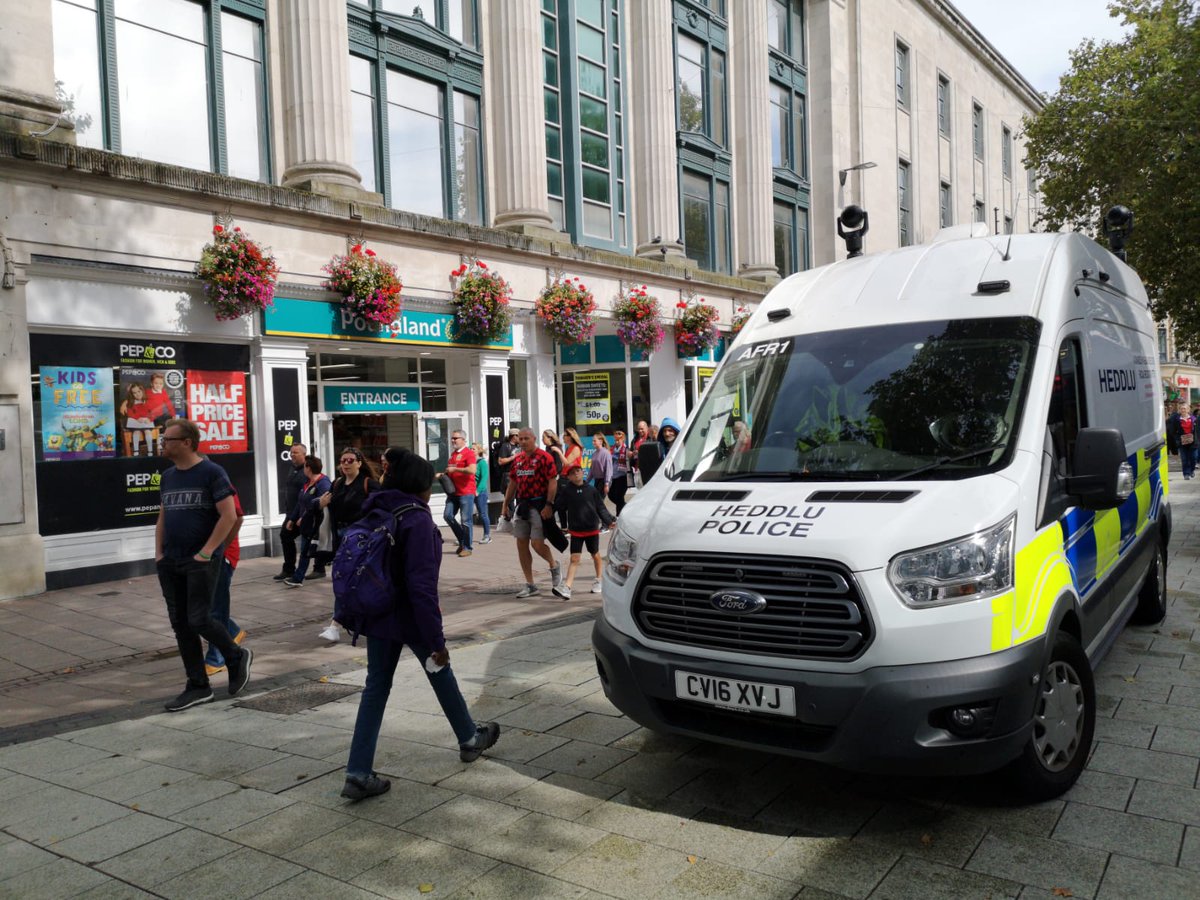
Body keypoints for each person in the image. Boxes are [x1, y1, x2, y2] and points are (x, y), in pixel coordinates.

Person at [341, 446, 501, 801]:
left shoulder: (379, 508)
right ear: (420, 486)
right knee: (439, 669)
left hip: (379, 615)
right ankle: (469, 738)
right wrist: (436, 638)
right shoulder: (416, 520)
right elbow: (422, 588)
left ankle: (357, 771)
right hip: (411, 618)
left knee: (376, 687)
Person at [154, 418, 252, 712]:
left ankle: (235, 657)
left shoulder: (212, 472)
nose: (163, 444)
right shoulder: (169, 476)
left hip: (200, 561)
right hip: (171, 560)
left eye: (168, 439)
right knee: (181, 624)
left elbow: (230, 516)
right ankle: (198, 686)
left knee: (199, 619)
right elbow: (163, 515)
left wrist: (208, 552)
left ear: (186, 442)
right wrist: (158, 553)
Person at [317, 448, 382, 640]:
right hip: (341, 539)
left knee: (347, 581)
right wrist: (319, 504)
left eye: (350, 460)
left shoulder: (368, 484)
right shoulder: (337, 484)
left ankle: (335, 625)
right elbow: (318, 505)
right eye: (343, 460)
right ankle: (356, 622)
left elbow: (381, 508)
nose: (345, 464)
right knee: (350, 582)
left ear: (359, 463)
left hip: (361, 540)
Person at [502, 427, 562, 598]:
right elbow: (512, 483)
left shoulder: (545, 457)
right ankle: (530, 584)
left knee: (537, 544)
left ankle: (554, 565)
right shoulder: (518, 459)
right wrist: (505, 505)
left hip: (539, 505)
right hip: (522, 506)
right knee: (521, 544)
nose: (522, 442)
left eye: (526, 438)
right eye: (520, 439)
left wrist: (549, 505)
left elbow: (552, 482)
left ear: (534, 438)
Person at [552, 464, 615, 600]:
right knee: (574, 558)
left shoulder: (591, 490)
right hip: (576, 531)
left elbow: (601, 508)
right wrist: (550, 514)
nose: (576, 474)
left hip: (591, 529)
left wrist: (609, 521)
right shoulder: (567, 491)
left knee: (595, 555)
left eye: (578, 471)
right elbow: (559, 507)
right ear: (568, 477)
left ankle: (599, 580)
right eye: (573, 473)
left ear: (583, 473)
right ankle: (567, 588)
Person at [204, 486, 248, 676]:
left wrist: (221, 550)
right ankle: (233, 631)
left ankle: (216, 657)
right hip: (203, 557)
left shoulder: (219, 483)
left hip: (222, 557)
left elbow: (236, 518)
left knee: (215, 609)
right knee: (202, 609)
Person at [283, 456, 332, 586]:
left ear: (308, 468)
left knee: (306, 551)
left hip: (316, 524)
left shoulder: (323, 483)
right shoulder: (307, 483)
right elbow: (300, 503)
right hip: (306, 524)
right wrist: (292, 519)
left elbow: (322, 504)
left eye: (305, 466)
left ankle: (298, 578)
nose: (303, 468)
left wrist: (304, 517)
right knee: (307, 550)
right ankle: (312, 572)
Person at [439, 429, 477, 557]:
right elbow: (451, 471)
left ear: (463, 439)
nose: (453, 440)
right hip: (453, 492)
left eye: (456, 438)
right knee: (447, 515)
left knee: (466, 521)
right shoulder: (453, 454)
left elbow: (472, 470)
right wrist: (443, 475)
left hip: (466, 492)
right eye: (452, 438)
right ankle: (462, 540)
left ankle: (467, 547)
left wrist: (454, 468)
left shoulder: (469, 453)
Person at [275, 443, 308, 581]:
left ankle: (319, 567)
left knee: (310, 541)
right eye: (291, 452)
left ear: (304, 455)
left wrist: (301, 515)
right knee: (286, 536)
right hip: (291, 513)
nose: (292, 455)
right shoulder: (292, 468)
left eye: (296, 452)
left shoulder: (307, 471)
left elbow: (306, 494)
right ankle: (289, 569)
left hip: (301, 513)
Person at [121, 382, 155, 456]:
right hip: (136, 421)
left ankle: (150, 451)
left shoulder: (148, 401)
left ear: (142, 390)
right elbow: (130, 413)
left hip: (146, 421)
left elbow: (153, 412)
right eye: (134, 393)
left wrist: (150, 419)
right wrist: (137, 418)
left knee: (147, 432)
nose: (137, 394)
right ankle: (136, 450)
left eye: (139, 391)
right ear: (132, 394)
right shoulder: (131, 402)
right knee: (136, 432)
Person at [471, 441, 492, 545]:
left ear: (479, 451)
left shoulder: (482, 463)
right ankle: (465, 536)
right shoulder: (470, 462)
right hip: (469, 491)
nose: (471, 450)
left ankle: (487, 535)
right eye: (471, 448)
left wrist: (478, 491)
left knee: (483, 514)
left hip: (480, 492)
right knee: (466, 514)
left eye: (473, 449)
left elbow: (484, 479)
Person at [609, 429, 630, 516]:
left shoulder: (626, 449)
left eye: (618, 440)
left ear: (623, 439)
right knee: (611, 495)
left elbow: (629, 460)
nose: (616, 442)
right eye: (615, 440)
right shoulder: (612, 449)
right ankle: (626, 507)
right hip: (614, 476)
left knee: (619, 496)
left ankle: (618, 515)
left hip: (622, 476)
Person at [589, 432, 612, 500]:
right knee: (597, 502)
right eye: (592, 441)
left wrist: (606, 483)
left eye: (594, 441)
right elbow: (591, 470)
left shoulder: (606, 453)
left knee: (599, 502)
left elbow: (608, 469)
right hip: (597, 480)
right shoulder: (594, 454)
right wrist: (586, 481)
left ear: (601, 441)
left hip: (604, 480)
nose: (593, 442)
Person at [496, 427, 520, 495]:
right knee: (510, 498)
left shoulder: (519, 446)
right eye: (519, 436)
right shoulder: (505, 446)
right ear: (514, 436)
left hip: (519, 474)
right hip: (509, 475)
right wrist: (513, 457)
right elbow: (500, 461)